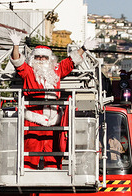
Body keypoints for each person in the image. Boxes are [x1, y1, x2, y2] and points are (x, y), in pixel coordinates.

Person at [8, 30, 97, 169]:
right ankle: (28, 176)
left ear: (50, 59)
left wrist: (83, 48)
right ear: (33, 59)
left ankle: (53, 173)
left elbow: (71, 61)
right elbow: (17, 61)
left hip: (54, 121)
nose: (41, 59)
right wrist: (16, 45)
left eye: (44, 57)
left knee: (53, 154)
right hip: (33, 121)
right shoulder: (28, 72)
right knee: (29, 155)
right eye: (38, 57)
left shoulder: (56, 70)